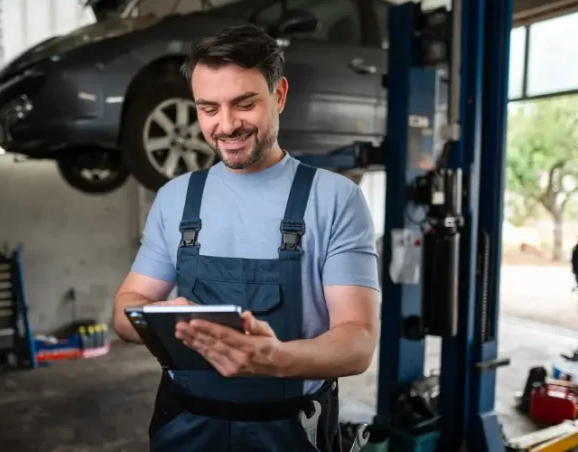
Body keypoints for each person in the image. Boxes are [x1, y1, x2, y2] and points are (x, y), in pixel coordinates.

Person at [113, 24, 380, 452]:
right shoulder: (176, 199)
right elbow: (123, 311)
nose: (226, 125)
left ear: (279, 95)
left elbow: (358, 341)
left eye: (244, 103)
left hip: (291, 433)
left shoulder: (335, 199)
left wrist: (276, 359)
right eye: (208, 108)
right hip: (185, 426)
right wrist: (157, 315)